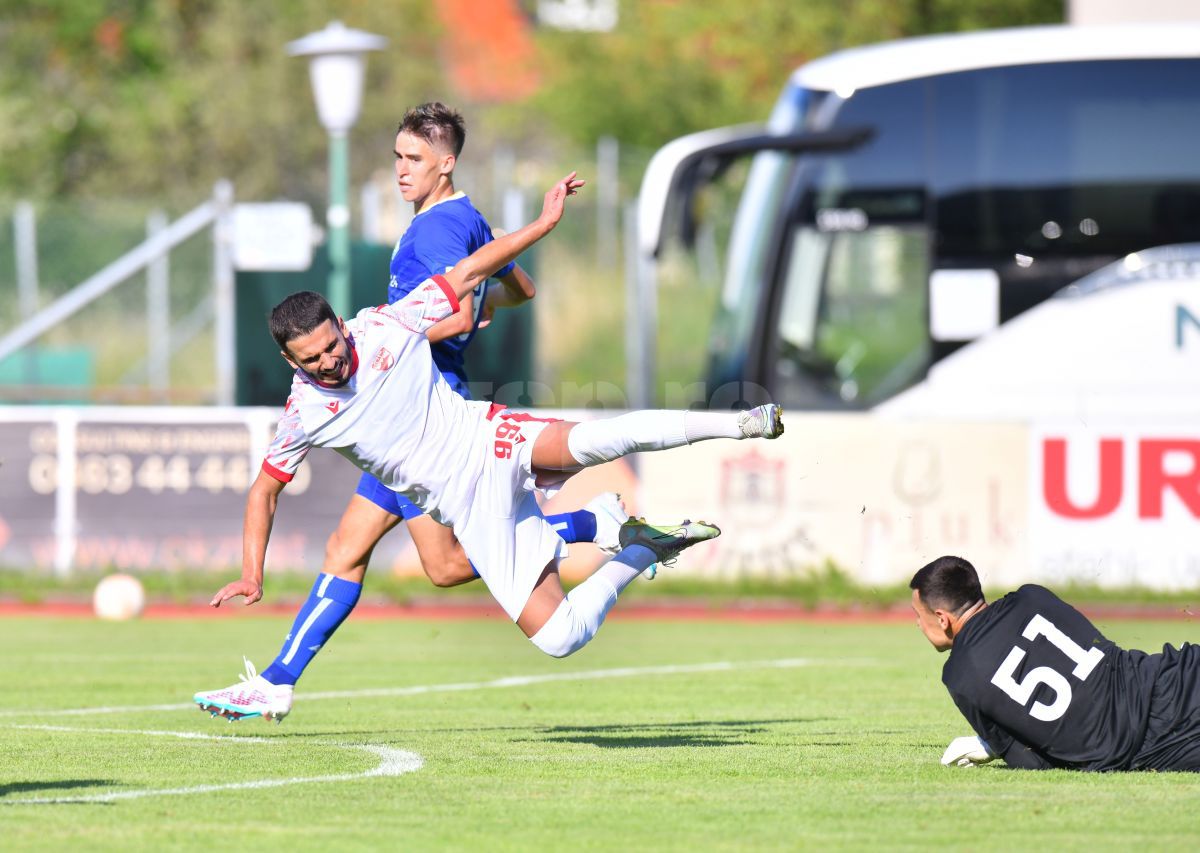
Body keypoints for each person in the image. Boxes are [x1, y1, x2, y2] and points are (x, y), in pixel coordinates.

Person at [194, 172, 784, 722]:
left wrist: (540, 226)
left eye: (331, 345)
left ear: (343, 327)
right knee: (560, 638)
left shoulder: (386, 324)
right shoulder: (303, 414)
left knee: (600, 439)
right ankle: (638, 550)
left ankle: (741, 423)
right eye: (312, 358)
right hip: (468, 510)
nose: (330, 361)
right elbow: (263, 491)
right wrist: (253, 573)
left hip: (491, 443)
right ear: (288, 362)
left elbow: (470, 272)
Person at [246, 103, 630, 700]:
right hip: (421, 411)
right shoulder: (461, 216)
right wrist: (479, 304)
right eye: (397, 156)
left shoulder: (435, 229)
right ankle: (588, 522)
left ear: (445, 164)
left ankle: (277, 681)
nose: (401, 169)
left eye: (414, 159)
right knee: (437, 565)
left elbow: (455, 314)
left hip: (419, 420)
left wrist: (390, 347)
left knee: (372, 553)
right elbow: (520, 288)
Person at [910, 555, 1200, 772]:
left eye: (918, 615)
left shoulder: (960, 677)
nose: (918, 625)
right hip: (1176, 677)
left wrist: (993, 745)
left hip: (1158, 747)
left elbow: (1030, 760)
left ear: (941, 618)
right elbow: (1098, 648)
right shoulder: (1032, 597)